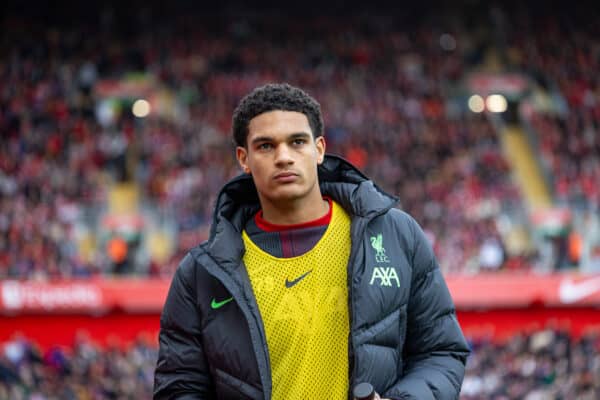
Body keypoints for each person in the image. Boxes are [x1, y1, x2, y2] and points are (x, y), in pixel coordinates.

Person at [154, 83, 470, 399]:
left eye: (297, 142)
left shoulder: (395, 236)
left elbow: (440, 351)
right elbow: (179, 387)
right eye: (265, 146)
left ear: (319, 149)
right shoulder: (201, 273)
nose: (283, 157)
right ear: (243, 158)